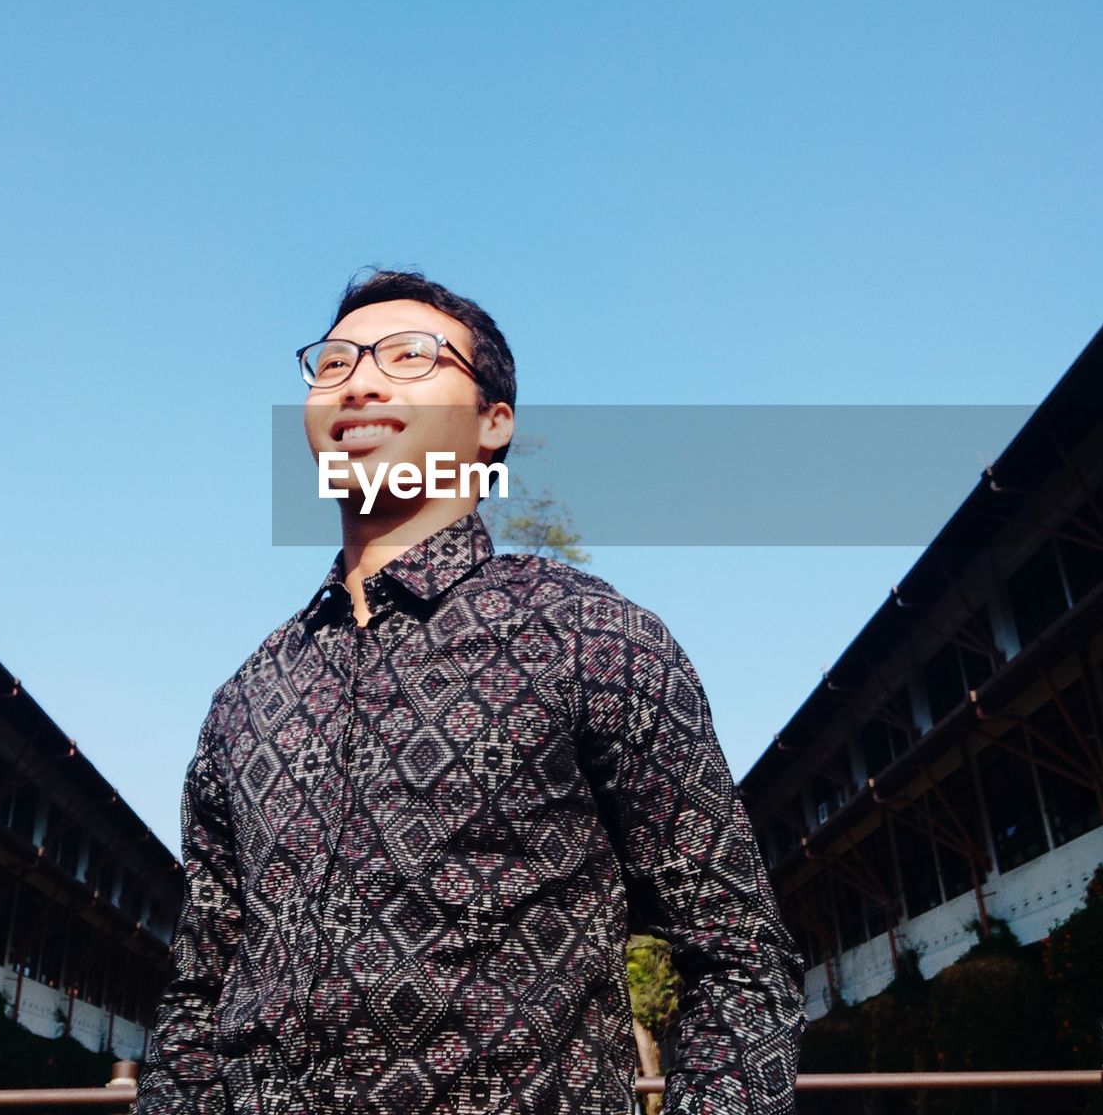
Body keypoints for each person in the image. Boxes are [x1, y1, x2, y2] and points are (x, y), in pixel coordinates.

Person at [135, 270, 805, 1115]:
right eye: (334, 362)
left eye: (412, 356)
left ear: (493, 424)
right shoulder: (246, 699)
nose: (363, 379)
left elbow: (742, 961)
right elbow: (197, 995)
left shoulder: (589, 636)